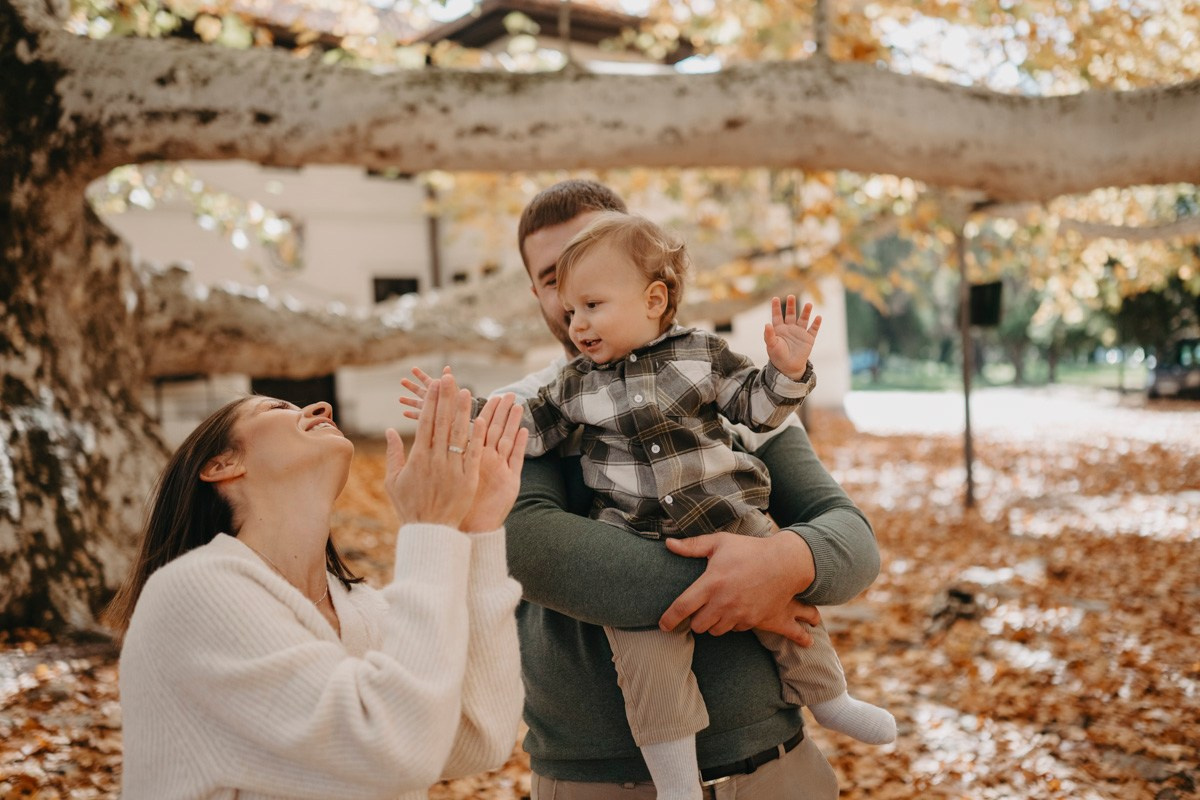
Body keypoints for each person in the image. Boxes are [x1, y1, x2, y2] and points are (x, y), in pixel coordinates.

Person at [402, 213, 893, 799]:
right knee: (650, 660)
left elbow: (851, 540)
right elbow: (531, 549)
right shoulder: (537, 402)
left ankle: (830, 698)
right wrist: (746, 590)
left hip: (775, 766)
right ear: (538, 291)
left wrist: (783, 563)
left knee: (798, 635)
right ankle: (676, 778)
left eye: (594, 291)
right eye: (557, 284)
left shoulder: (707, 362)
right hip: (601, 780)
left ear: (650, 292)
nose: (574, 313)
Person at [104, 375, 528, 800]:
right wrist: (429, 527)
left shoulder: (361, 609)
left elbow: (478, 736)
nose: (320, 408)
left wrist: (477, 529)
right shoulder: (193, 593)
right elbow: (395, 748)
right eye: (275, 408)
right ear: (221, 465)